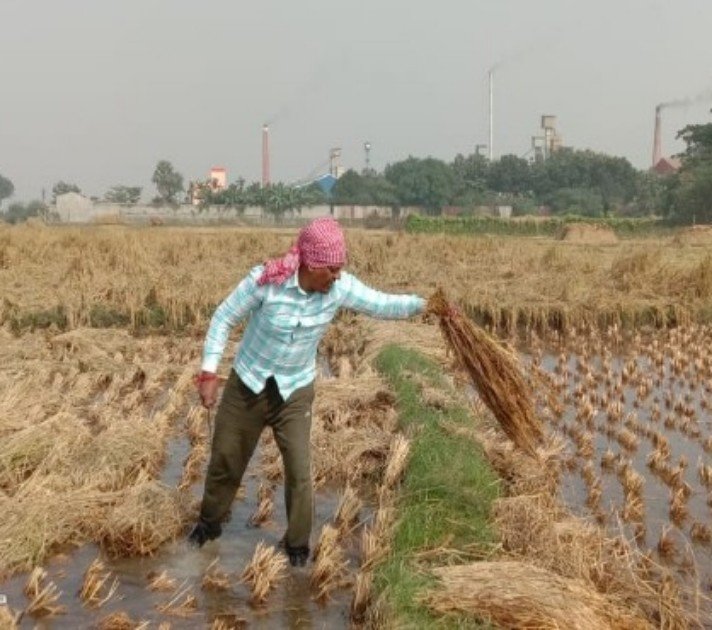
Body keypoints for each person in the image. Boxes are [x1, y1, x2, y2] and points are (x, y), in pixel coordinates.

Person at [188, 217, 425, 566]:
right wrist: (209, 372)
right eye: (332, 269)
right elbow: (223, 317)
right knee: (226, 460)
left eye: (340, 268)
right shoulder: (266, 283)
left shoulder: (340, 288)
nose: (337, 276)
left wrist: (424, 305)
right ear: (311, 265)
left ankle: (297, 547)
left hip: (295, 391)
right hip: (248, 385)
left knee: (300, 471)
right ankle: (209, 526)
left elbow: (382, 303)